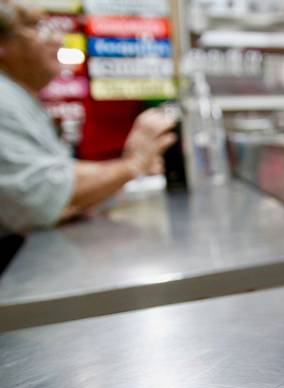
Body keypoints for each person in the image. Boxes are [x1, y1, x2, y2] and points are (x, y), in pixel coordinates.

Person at [0, 1, 176, 270]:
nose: (56, 39)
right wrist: (132, 164)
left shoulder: (19, 96)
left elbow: (57, 176)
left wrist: (120, 171)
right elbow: (41, 199)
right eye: (36, 27)